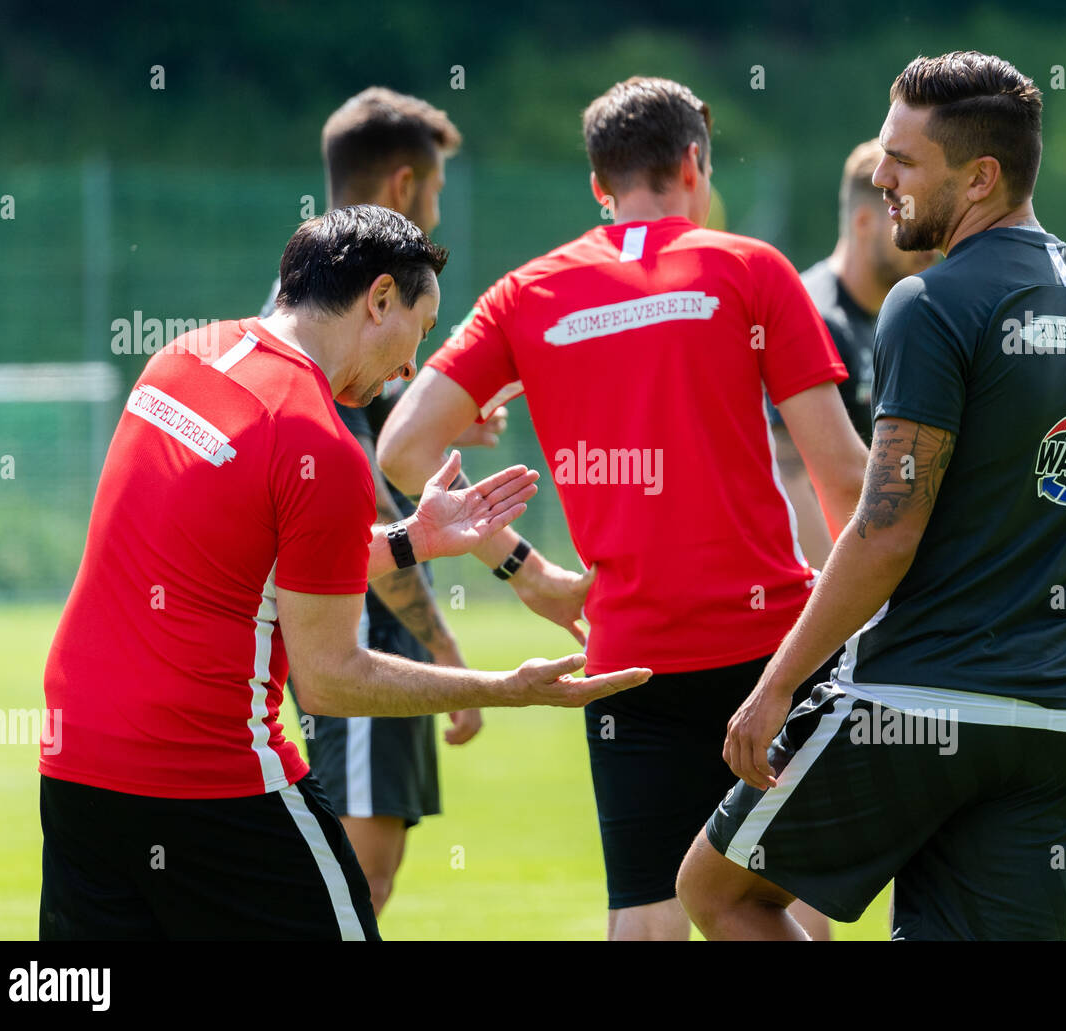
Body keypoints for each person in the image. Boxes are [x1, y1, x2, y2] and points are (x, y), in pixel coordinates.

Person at [39, 205, 651, 941]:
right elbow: (331, 677)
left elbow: (251, 550)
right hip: (208, 774)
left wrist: (411, 538)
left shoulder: (186, 355)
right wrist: (507, 688)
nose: (408, 368)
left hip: (76, 760)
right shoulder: (321, 444)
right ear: (380, 298)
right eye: (418, 334)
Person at [677, 50, 1066, 941]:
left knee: (719, 889)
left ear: (980, 177)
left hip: (916, 705)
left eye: (903, 159)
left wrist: (778, 684)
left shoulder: (930, 302)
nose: (879, 175)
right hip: (1052, 727)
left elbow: (886, 528)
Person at [377, 77, 869, 940]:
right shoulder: (753, 269)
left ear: (598, 187)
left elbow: (404, 449)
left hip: (629, 656)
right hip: (767, 650)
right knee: (773, 904)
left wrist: (524, 572)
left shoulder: (527, 293)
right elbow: (844, 482)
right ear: (693, 165)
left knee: (644, 918)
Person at [261, 86, 508, 918]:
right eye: (434, 195)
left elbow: (375, 459)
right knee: (349, 881)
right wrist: (443, 646)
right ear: (403, 185)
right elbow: (354, 501)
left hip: (365, 608)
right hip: (356, 620)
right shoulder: (321, 334)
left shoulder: (317, 319)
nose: (407, 368)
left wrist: (430, 428)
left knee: (368, 877)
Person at [775, 140, 938, 569]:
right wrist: (852, 616)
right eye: (908, 218)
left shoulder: (898, 316)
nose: (927, 240)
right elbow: (792, 478)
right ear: (865, 220)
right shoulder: (813, 316)